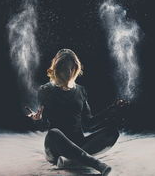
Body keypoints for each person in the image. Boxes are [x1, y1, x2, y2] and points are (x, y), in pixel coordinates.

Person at [26, 48, 128, 176]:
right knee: (54, 132)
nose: (68, 72)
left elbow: (88, 124)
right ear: (57, 69)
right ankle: (96, 164)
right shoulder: (45, 90)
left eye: (72, 68)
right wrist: (38, 120)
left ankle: (71, 160)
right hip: (55, 147)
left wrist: (111, 109)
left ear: (76, 68)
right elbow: (44, 126)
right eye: (64, 69)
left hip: (79, 144)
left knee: (112, 133)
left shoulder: (81, 90)